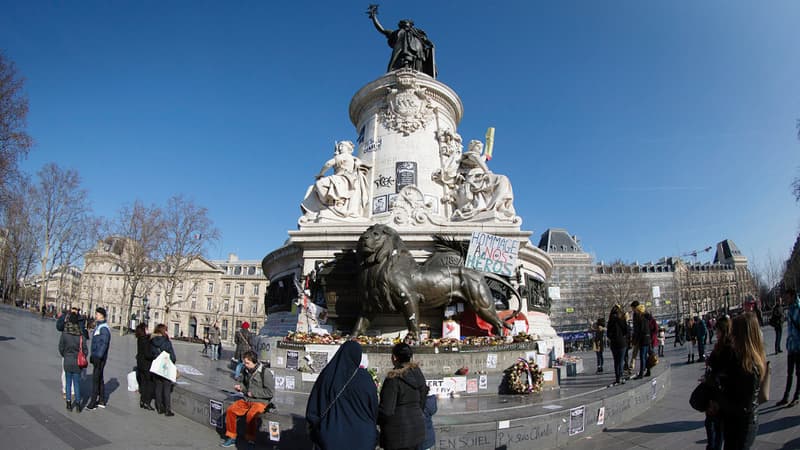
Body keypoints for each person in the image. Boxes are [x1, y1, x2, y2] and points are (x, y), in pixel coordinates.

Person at [306, 340, 378, 450]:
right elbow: (373, 408)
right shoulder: (365, 378)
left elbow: (314, 407)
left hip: (331, 437)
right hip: (363, 438)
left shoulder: (327, 376)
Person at [714, 312, 766, 449]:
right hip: (735, 422)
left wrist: (718, 398)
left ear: (743, 336)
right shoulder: (740, 359)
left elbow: (743, 405)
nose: (731, 336)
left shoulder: (749, 367)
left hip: (742, 425)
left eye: (734, 333)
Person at [301, 141, 371, 219]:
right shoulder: (354, 158)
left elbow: (328, 164)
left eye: (342, 146)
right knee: (316, 187)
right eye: (339, 146)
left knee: (320, 183)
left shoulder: (343, 156)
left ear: (348, 149)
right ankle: (333, 204)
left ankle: (330, 205)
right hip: (348, 179)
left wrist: (320, 174)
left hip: (342, 178)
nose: (340, 148)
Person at [378, 343, 428, 450]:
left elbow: (386, 410)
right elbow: (422, 402)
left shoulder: (393, 379)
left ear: (394, 357)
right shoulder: (418, 374)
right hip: (417, 429)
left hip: (397, 434)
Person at [220, 350, 275, 447]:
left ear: (254, 362)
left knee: (251, 415)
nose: (245, 365)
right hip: (247, 399)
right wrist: (240, 387)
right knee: (231, 411)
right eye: (244, 362)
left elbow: (270, 393)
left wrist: (253, 393)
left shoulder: (265, 373)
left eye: (247, 363)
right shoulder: (246, 371)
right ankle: (231, 436)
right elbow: (244, 384)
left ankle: (250, 438)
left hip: (260, 401)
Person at [368, 4, 436, 78]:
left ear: (410, 25)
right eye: (403, 24)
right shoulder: (396, 33)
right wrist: (374, 17)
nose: (405, 25)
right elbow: (382, 30)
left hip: (417, 54)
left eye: (407, 23)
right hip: (401, 54)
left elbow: (425, 40)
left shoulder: (416, 32)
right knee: (400, 63)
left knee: (417, 69)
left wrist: (430, 44)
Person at [704, 315, 733, 450]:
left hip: (719, 392)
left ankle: (713, 447)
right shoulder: (721, 345)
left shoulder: (727, 348)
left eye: (718, 331)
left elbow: (724, 369)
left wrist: (712, 368)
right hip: (716, 390)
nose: (716, 333)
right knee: (712, 423)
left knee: (714, 424)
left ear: (724, 330)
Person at [59, 313, 88, 413]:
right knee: (76, 383)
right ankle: (79, 405)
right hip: (77, 362)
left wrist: (65, 355)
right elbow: (85, 350)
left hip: (67, 360)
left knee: (68, 382)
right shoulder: (81, 336)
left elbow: (60, 348)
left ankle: (68, 403)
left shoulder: (65, 334)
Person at [777, 288, 800, 407]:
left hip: (798, 345)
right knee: (789, 372)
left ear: (792, 296)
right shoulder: (790, 309)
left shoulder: (797, 309)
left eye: (787, 296)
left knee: (798, 373)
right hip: (791, 345)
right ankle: (786, 396)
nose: (785, 299)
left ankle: (796, 396)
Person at [86, 307, 111, 410]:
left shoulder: (104, 328)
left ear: (102, 315)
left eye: (97, 314)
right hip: (97, 355)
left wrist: (98, 356)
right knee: (99, 377)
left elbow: (103, 344)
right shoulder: (99, 326)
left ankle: (93, 402)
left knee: (96, 379)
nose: (95, 315)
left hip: (99, 357)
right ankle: (102, 400)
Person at [150, 323, 176, 416]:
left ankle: (159, 407)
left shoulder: (152, 341)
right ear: (163, 331)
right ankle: (167, 409)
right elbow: (173, 356)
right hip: (166, 367)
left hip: (157, 368)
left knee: (158, 387)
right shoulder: (166, 342)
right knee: (166, 388)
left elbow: (152, 353)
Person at [606, 304, 629, 386]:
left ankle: (617, 378)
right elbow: (626, 331)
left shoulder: (610, 322)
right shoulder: (621, 320)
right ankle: (621, 377)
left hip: (614, 343)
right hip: (622, 342)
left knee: (616, 362)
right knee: (621, 361)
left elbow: (608, 334)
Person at [134, 323, 155, 410]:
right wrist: (154, 356)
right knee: (149, 383)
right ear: (144, 330)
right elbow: (147, 354)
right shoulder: (145, 340)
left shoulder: (139, 339)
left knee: (143, 383)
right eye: (146, 328)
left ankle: (142, 401)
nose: (147, 329)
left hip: (140, 364)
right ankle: (147, 402)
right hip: (146, 365)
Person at [630, 301, 650, 380]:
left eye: (633, 308)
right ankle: (647, 370)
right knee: (644, 356)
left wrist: (636, 339)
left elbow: (640, 330)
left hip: (643, 339)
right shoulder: (642, 316)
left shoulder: (641, 317)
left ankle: (642, 373)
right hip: (645, 339)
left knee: (643, 356)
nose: (633, 310)